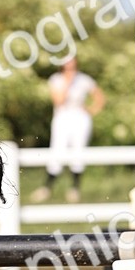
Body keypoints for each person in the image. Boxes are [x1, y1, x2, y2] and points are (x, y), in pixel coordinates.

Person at [31, 55, 106, 203]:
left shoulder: (84, 79)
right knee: (58, 150)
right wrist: (68, 82)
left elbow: (100, 97)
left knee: (78, 151)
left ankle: (74, 189)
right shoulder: (56, 79)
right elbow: (59, 101)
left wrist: (91, 110)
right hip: (63, 118)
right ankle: (47, 187)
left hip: (80, 118)